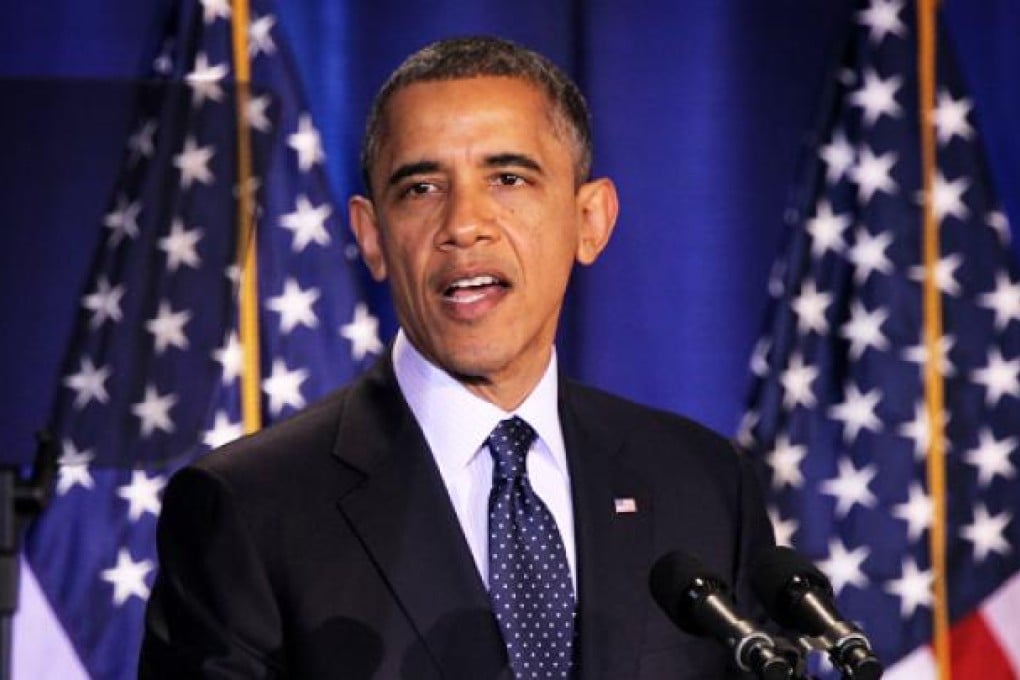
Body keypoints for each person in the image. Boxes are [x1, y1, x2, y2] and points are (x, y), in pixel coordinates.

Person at [140, 36, 774, 679]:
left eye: (508, 179)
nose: (464, 224)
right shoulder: (248, 510)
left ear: (591, 220)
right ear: (372, 236)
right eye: (420, 188)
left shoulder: (704, 485)